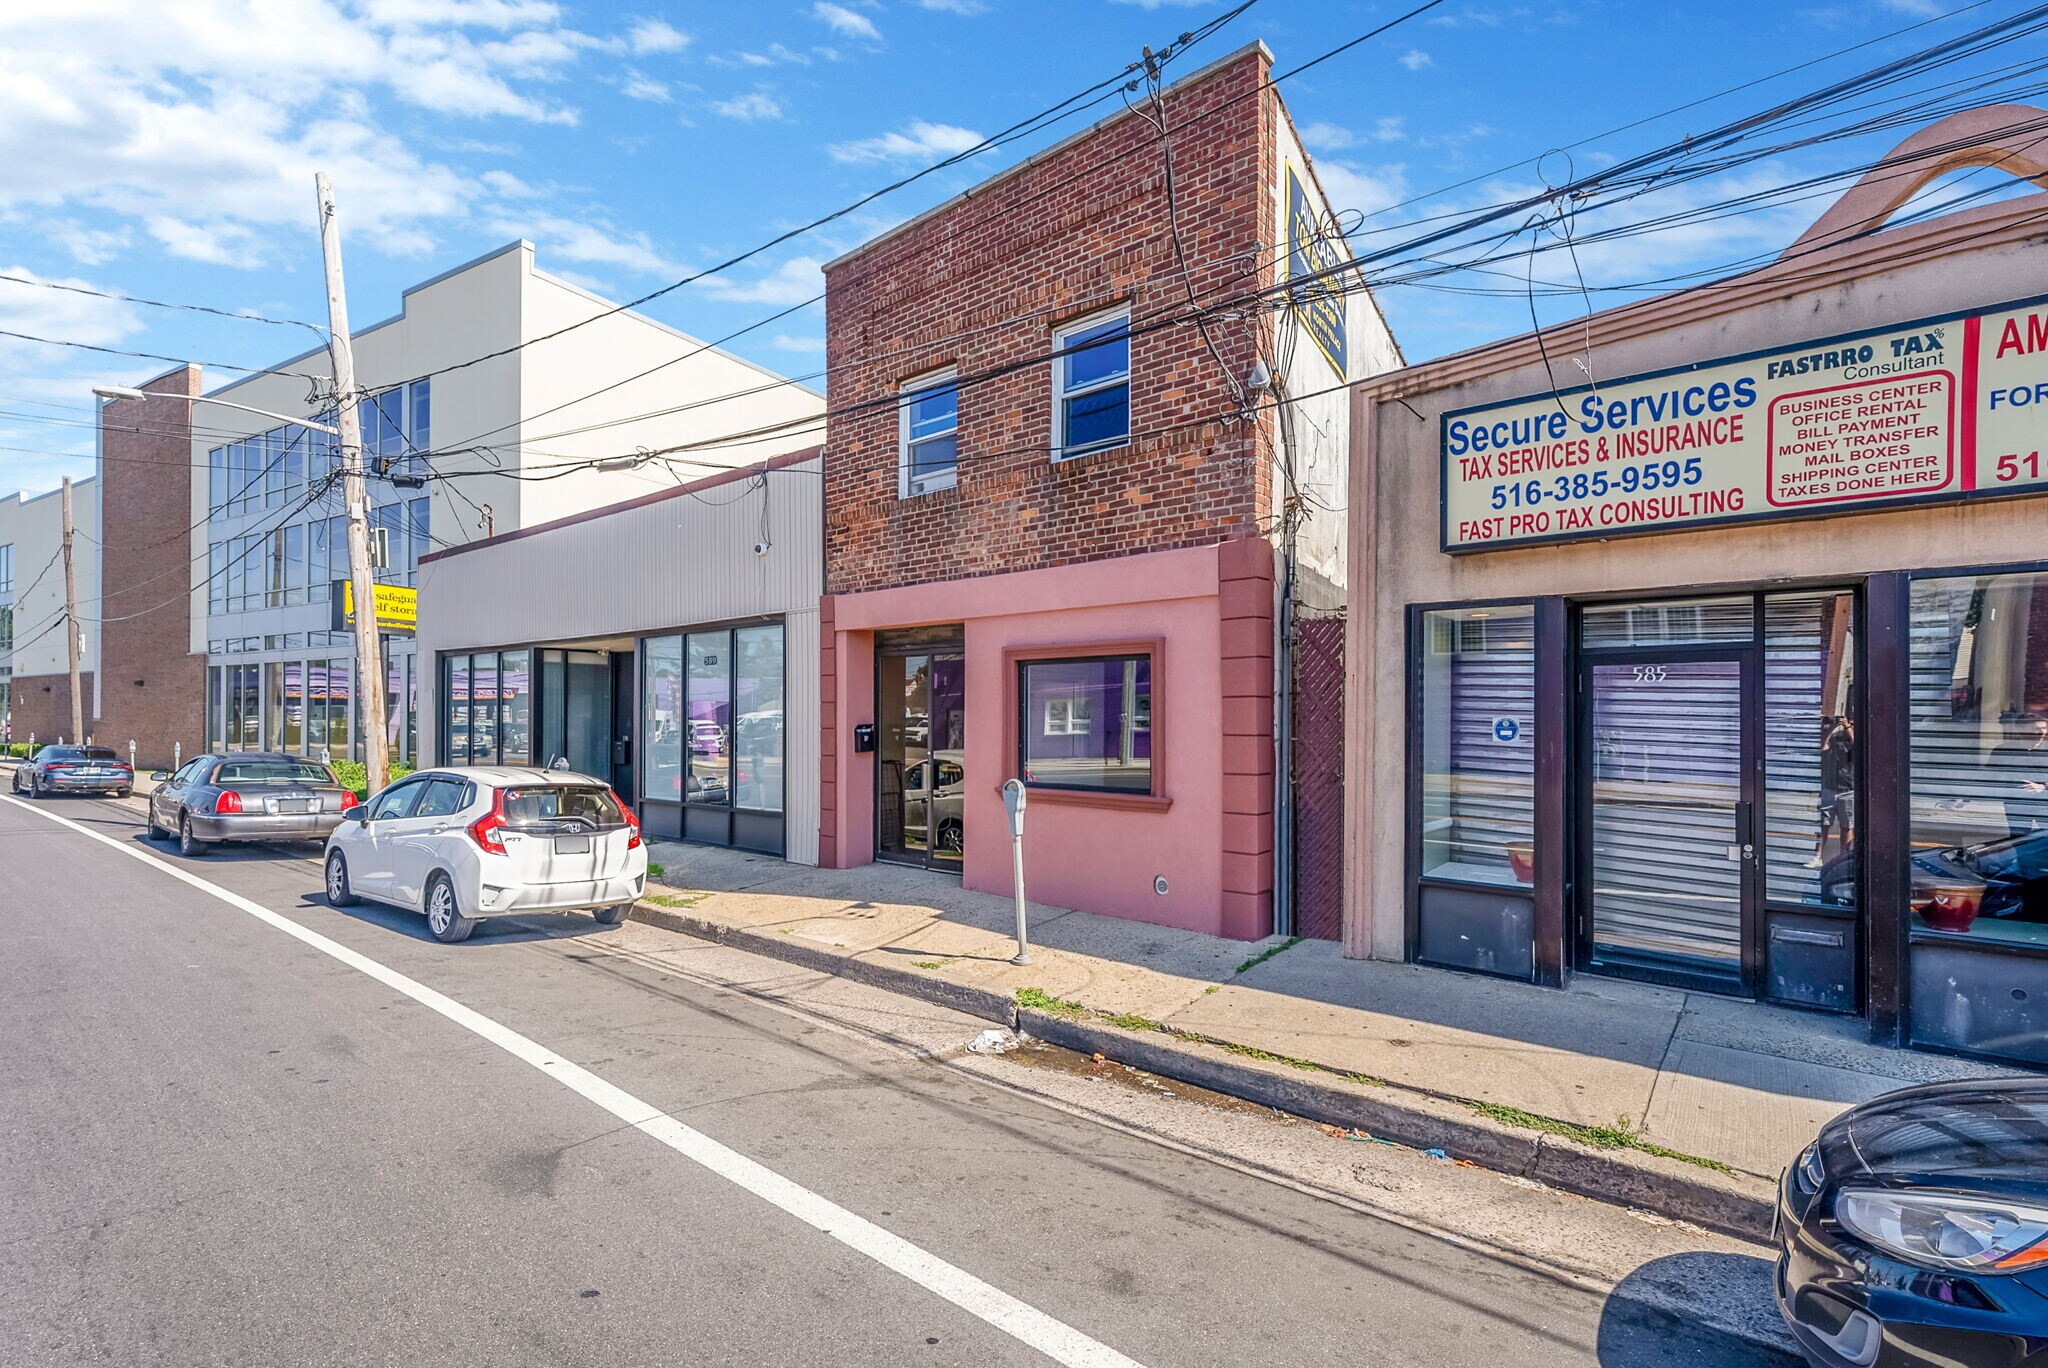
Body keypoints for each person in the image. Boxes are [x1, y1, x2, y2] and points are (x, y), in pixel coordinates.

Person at [1809, 715, 1855, 869]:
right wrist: (1832, 728)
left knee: (1847, 825)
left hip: (1848, 788)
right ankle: (1818, 856)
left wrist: (1847, 727)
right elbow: (1822, 746)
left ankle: (1843, 857)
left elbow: (1857, 746)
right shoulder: (1834, 738)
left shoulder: (1853, 740)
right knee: (1824, 824)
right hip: (1829, 787)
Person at [1990, 714, 2048, 834]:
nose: (2041, 732)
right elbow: (1991, 777)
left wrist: (2043, 786)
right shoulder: (2003, 750)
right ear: (2021, 730)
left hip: (2044, 804)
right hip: (2016, 805)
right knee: (2018, 839)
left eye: (2044, 728)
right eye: (2036, 729)